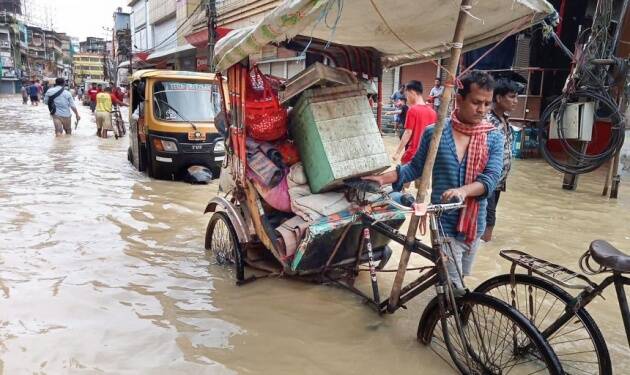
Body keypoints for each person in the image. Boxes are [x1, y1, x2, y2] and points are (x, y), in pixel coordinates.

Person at [363, 71, 504, 287]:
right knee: (453, 285)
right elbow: (415, 168)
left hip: (475, 224)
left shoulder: (493, 136)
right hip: (444, 224)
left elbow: (491, 179)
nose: (482, 110)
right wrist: (382, 179)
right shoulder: (436, 133)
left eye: (487, 104)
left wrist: (463, 191)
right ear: (459, 99)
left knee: (459, 280)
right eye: (476, 102)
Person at [481, 79, 519, 242]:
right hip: (487, 179)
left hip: (498, 181)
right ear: (498, 98)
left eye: (516, 97)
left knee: (488, 218)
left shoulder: (504, 119)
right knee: (489, 220)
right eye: (511, 97)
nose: (515, 101)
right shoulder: (487, 121)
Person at [392, 80, 437, 166]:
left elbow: (408, 132)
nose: (407, 98)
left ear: (412, 92)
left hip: (413, 153)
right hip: (426, 155)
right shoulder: (433, 112)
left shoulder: (412, 110)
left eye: (407, 95)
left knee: (404, 178)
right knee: (422, 179)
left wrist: (397, 152)